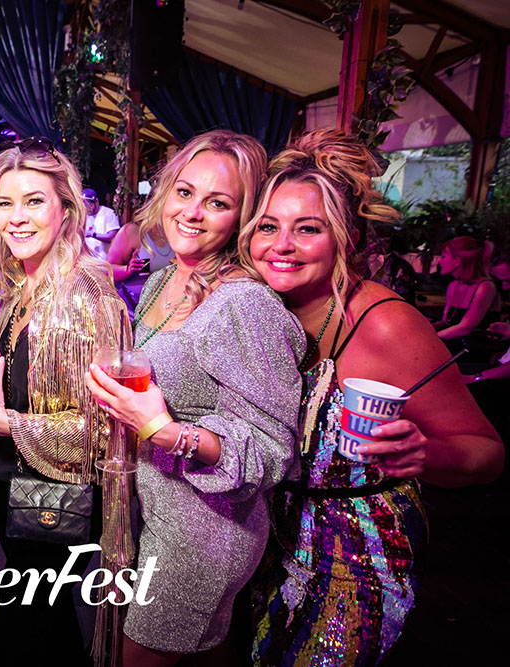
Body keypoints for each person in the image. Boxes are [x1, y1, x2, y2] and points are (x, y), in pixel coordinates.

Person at [242, 130, 503, 666]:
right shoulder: (256, 307)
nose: (281, 245)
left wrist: (425, 453)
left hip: (353, 559)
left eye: (308, 228)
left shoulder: (386, 325)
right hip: (263, 544)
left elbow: (488, 452)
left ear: (347, 239)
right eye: (267, 226)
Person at [84, 130, 304, 665]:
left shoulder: (243, 303)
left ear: (243, 216)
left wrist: (163, 430)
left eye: (218, 202)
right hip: (152, 512)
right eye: (185, 192)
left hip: (202, 534)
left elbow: (274, 451)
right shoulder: (163, 282)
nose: (193, 212)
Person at [0, 138, 132, 666]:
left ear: (66, 210)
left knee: (18, 639)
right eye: (5, 203)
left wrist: (2, 420)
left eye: (34, 201)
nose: (17, 218)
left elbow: (104, 433)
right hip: (17, 486)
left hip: (58, 501)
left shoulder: (83, 295)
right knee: (47, 634)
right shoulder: (25, 284)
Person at [105, 218, 174, 318]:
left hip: (164, 309)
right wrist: (126, 270)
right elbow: (107, 271)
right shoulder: (132, 231)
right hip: (132, 310)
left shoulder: (179, 233)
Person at [82, 187, 120, 261]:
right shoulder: (86, 216)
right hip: (90, 261)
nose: (87, 208)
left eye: (89, 205)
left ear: (96, 201)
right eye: (84, 205)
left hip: (104, 260)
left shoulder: (109, 213)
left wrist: (93, 234)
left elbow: (112, 237)